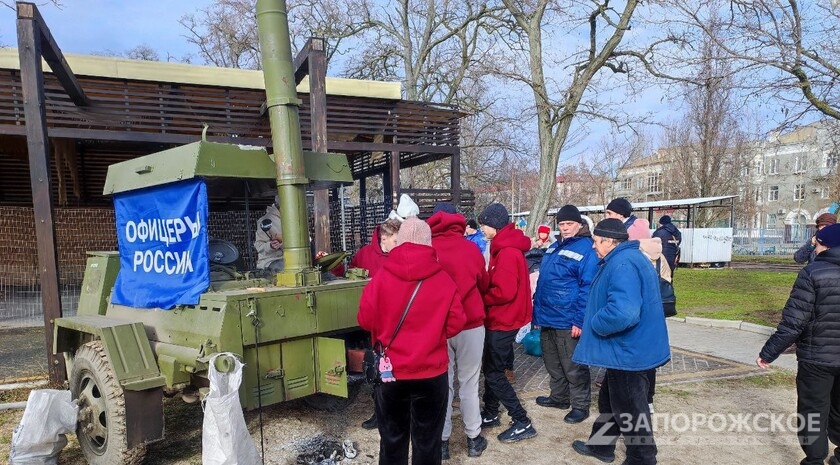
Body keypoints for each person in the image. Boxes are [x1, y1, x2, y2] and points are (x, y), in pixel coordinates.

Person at [358, 217, 467, 465]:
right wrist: (431, 334)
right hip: (432, 372)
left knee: (392, 442)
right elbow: (456, 323)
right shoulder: (444, 279)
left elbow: (365, 319)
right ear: (429, 244)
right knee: (428, 444)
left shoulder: (381, 278)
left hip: (391, 374)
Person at [571, 218, 670, 465]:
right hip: (629, 348)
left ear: (609, 241)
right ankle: (601, 446)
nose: (593, 246)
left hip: (628, 351)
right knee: (610, 399)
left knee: (630, 407)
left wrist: (595, 323)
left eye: (596, 241)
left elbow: (624, 312)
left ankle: (643, 458)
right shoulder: (629, 257)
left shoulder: (622, 263)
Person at [757, 223, 840, 465]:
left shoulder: (812, 273)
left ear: (824, 245)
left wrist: (768, 353)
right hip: (821, 356)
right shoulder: (813, 272)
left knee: (812, 410)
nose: (814, 248)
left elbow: (794, 322)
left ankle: (814, 459)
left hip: (816, 359)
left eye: (816, 243)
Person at [427, 202, 490, 459]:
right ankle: (473, 438)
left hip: (438, 326)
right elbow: (483, 283)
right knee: (470, 383)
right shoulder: (471, 248)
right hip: (471, 323)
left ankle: (442, 442)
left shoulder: (427, 249)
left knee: (443, 385)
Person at [476, 202, 537, 443]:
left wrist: (481, 296)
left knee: (493, 373)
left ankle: (522, 420)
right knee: (492, 367)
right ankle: (491, 413)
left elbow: (504, 291)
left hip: (503, 319)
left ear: (494, 225)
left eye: (484, 224)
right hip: (503, 317)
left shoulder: (508, 251)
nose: (481, 228)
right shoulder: (503, 247)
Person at [532, 205, 598, 424]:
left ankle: (580, 405)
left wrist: (579, 319)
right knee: (552, 361)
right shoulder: (553, 247)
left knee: (573, 364)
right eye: (561, 224)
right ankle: (559, 397)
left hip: (568, 318)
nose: (565, 228)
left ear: (579, 224)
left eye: (569, 224)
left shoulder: (586, 248)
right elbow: (543, 282)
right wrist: (536, 316)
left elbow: (587, 286)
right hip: (547, 316)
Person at [349, 217, 402, 430]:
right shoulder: (365, 254)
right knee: (378, 371)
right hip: (376, 324)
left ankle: (397, 412)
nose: (399, 245)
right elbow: (351, 274)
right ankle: (380, 413)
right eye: (396, 241)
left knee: (397, 371)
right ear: (384, 237)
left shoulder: (400, 256)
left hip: (397, 322)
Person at [254, 195, 284, 272]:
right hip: (271, 260)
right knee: (286, 268)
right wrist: (271, 246)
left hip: (294, 259)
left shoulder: (296, 218)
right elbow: (259, 245)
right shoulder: (265, 221)